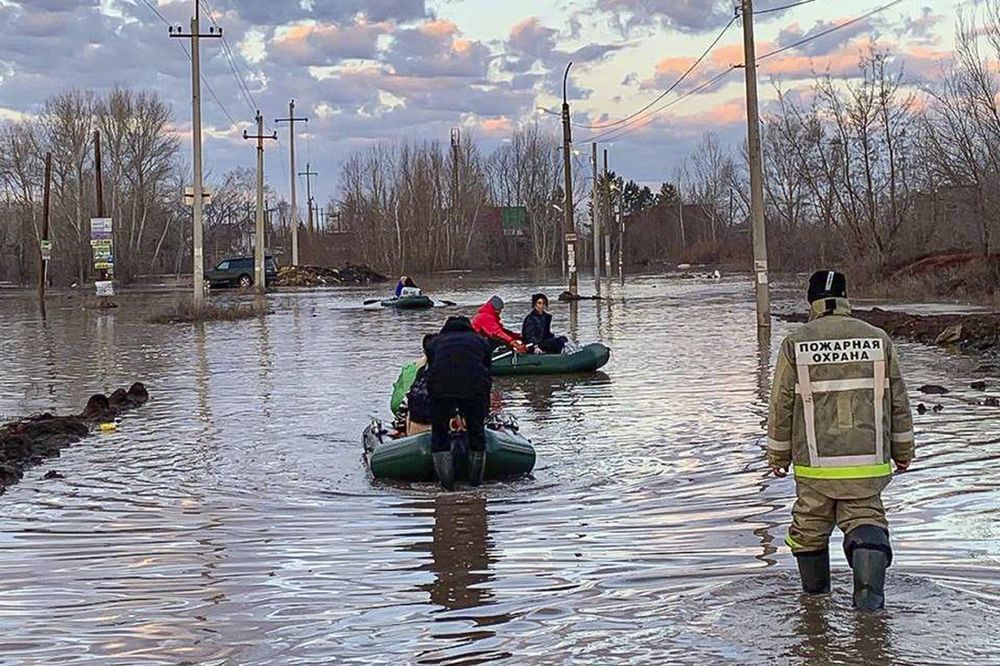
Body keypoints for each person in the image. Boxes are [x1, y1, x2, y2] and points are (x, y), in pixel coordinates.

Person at [767, 270, 915, 611]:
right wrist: (903, 452)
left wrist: (778, 456)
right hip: (867, 464)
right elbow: (898, 403)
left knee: (808, 531)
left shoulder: (796, 343)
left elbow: (781, 405)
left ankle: (815, 607)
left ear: (812, 301)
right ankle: (869, 609)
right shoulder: (878, 339)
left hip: (815, 468)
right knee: (867, 523)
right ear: (846, 299)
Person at [426, 316, 493, 489]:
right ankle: (475, 484)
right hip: (474, 387)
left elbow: (432, 367)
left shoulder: (435, 342)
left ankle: (447, 486)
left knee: (439, 434)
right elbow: (487, 371)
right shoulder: (481, 341)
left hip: (441, 388)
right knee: (477, 433)